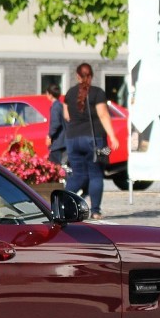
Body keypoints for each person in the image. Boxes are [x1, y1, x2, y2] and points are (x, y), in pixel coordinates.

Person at [62, 63, 119, 220]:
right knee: (96, 175)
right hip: (94, 141)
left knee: (77, 175)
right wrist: (113, 136)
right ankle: (95, 211)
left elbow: (66, 116)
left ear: (77, 77)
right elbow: (103, 115)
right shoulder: (98, 93)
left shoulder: (69, 93)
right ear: (91, 76)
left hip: (73, 140)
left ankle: (61, 205)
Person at [44, 83, 67, 166]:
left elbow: (55, 123)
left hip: (58, 143)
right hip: (64, 142)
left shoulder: (55, 107)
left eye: (47, 93)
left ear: (50, 94)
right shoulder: (60, 105)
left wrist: (49, 136)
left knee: (55, 166)